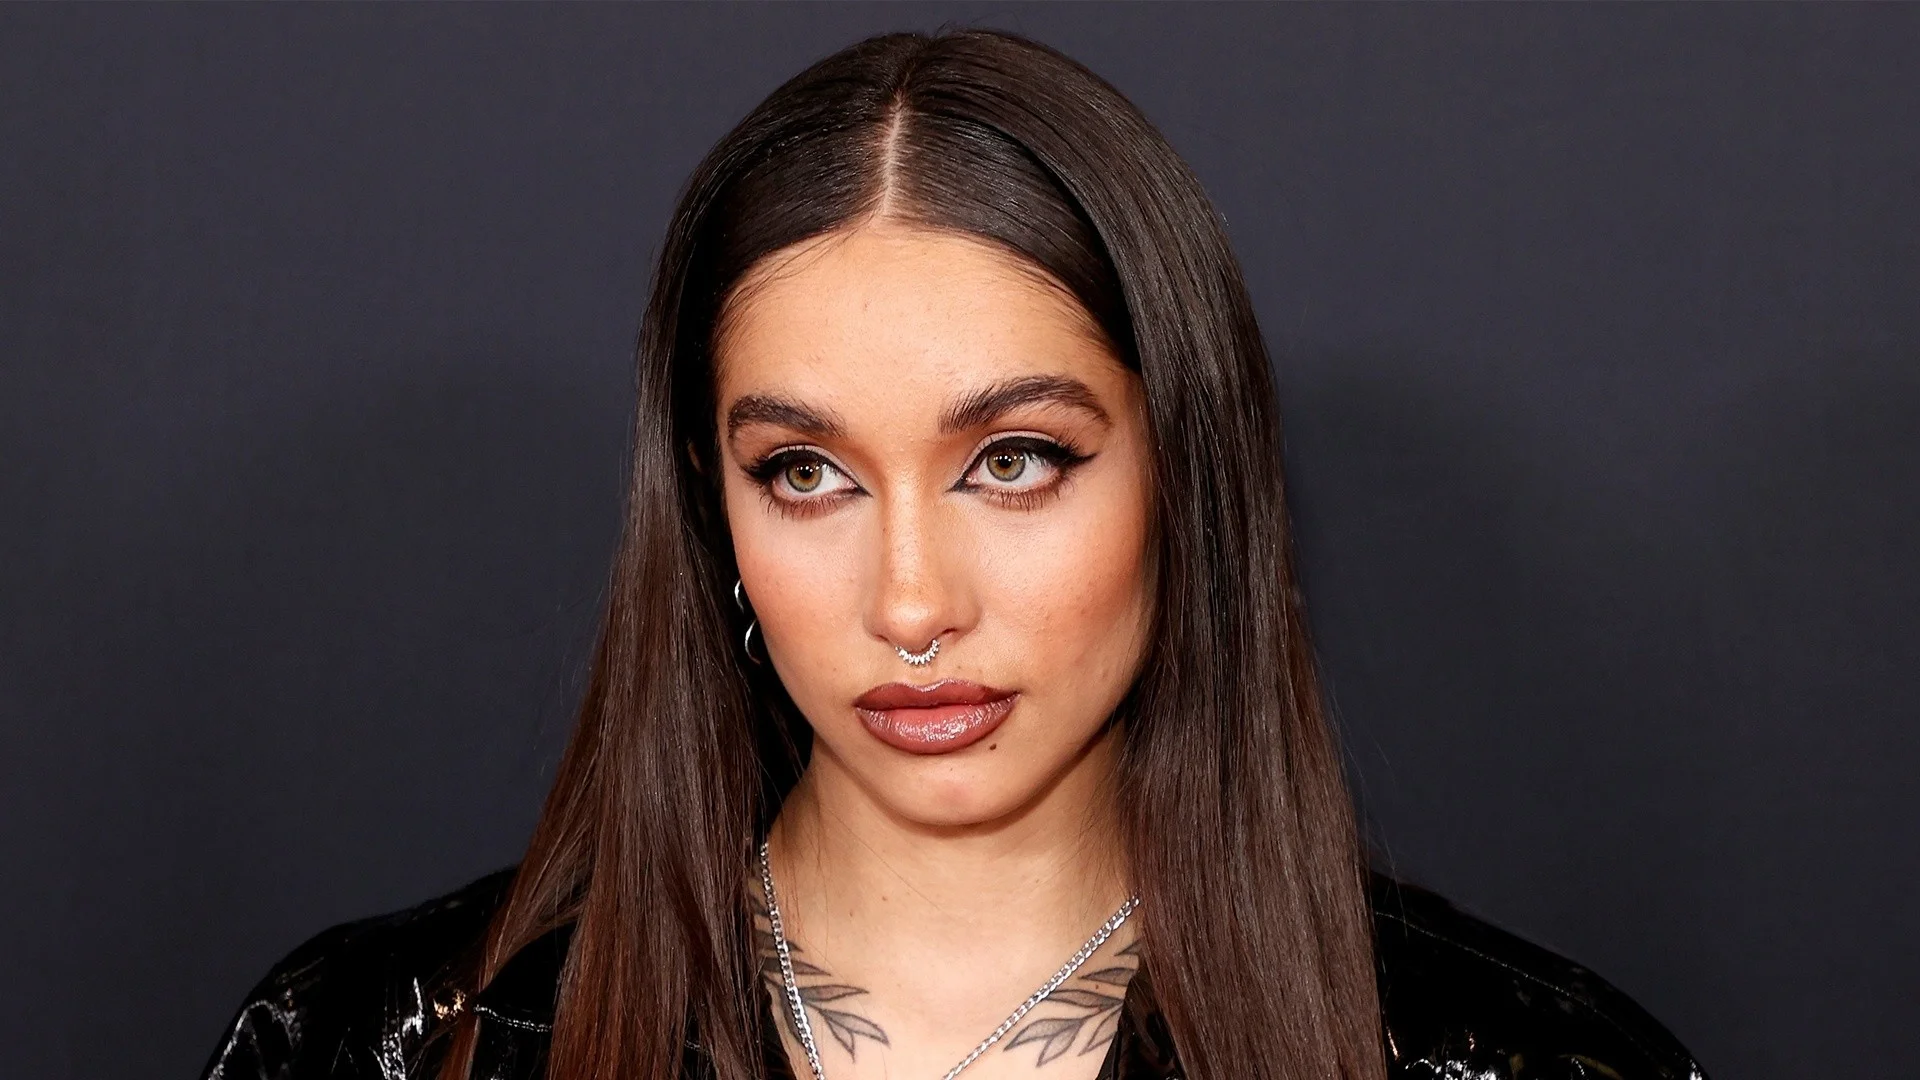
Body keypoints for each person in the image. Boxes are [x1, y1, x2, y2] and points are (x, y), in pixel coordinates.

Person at [199, 27, 1709, 1080]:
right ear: (712, 514)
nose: (912, 603)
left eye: (1014, 461)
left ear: (1186, 481)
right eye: (806, 475)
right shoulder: (372, 1046)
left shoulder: (1519, 1063)